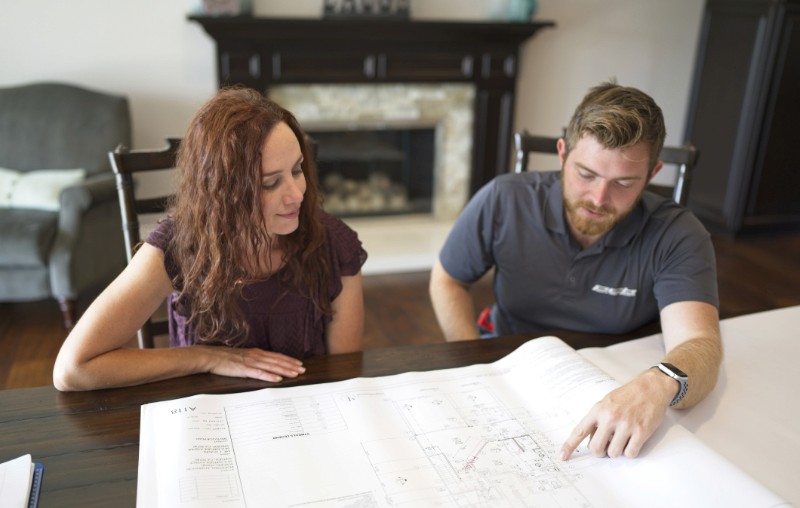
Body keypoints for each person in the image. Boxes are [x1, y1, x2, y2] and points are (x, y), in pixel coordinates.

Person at [429, 81, 721, 460]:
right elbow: (448, 279)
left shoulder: (679, 234)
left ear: (652, 174)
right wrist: (475, 366)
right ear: (563, 153)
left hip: (619, 382)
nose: (599, 199)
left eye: (623, 183)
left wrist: (656, 385)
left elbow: (701, 345)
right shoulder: (504, 199)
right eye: (586, 174)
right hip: (510, 362)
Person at [54, 87, 367, 391]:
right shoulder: (177, 247)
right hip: (209, 423)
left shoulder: (333, 244)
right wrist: (208, 357)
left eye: (297, 170)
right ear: (223, 191)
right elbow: (73, 369)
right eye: (271, 183)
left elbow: (344, 376)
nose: (297, 194)